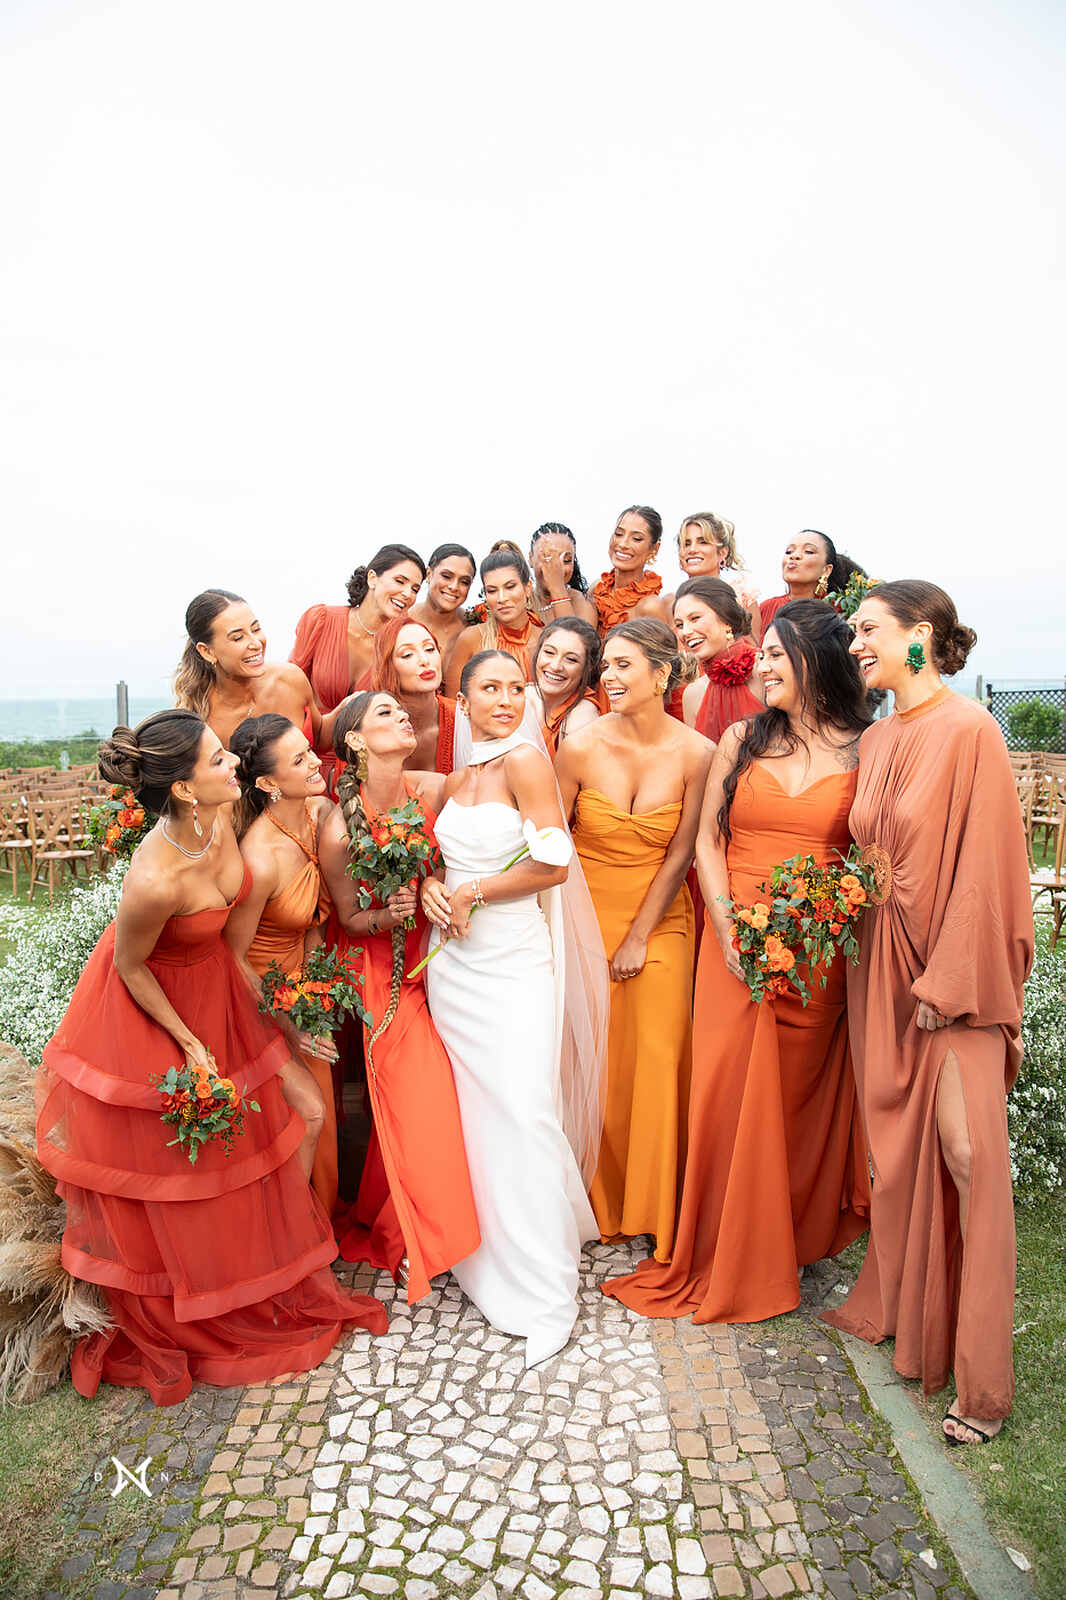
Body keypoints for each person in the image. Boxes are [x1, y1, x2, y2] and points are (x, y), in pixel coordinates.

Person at [35, 710, 385, 1405]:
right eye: (219, 761)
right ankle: (210, 1296)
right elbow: (132, 969)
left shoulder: (221, 821)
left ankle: (272, 1270)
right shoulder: (153, 879)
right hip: (155, 1009)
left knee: (306, 1114)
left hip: (221, 988)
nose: (233, 768)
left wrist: (282, 1014)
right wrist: (190, 1045)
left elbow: (239, 936)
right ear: (188, 790)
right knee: (194, 1166)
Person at [603, 601, 872, 1324]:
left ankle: (788, 1237)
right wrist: (726, 930)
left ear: (820, 661)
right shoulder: (743, 739)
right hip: (733, 943)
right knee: (725, 1093)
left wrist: (822, 918)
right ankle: (722, 1240)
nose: (764, 666)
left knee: (795, 1097)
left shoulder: (864, 749)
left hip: (815, 951)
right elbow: (707, 845)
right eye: (764, 655)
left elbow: (870, 856)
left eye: (780, 655)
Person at [823, 581, 1033, 1448]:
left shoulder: (972, 730)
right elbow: (867, 855)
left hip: (951, 975)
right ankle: (917, 1324)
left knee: (967, 1153)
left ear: (923, 637)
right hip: (880, 968)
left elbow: (989, 870)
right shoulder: (875, 739)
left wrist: (951, 984)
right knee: (900, 1156)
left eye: (868, 630)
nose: (856, 645)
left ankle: (982, 1383)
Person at [422, 650, 606, 1366]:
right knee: (477, 1111)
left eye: (512, 688)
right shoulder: (459, 780)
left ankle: (544, 1284)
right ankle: (487, 1257)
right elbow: (445, 861)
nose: (503, 699)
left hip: (513, 960)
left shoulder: (529, 763)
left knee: (525, 1109)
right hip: (456, 970)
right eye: (487, 689)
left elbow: (553, 865)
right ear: (461, 702)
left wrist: (472, 892)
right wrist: (437, 887)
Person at [556, 619, 712, 1262]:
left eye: (623, 666)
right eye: (606, 667)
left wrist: (638, 937)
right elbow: (550, 840)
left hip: (660, 920)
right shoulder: (579, 748)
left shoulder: (698, 753)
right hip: (584, 915)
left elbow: (682, 853)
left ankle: (656, 1207)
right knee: (596, 1061)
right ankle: (597, 1201)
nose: (609, 678)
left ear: (662, 673)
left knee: (656, 1052)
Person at [316, 692, 480, 1302]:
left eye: (400, 711)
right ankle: (421, 1238)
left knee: (445, 1096)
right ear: (355, 740)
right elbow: (349, 920)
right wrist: (389, 913)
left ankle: (403, 1215)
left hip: (448, 956)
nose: (400, 718)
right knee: (418, 1096)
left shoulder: (433, 789)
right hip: (381, 973)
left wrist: (435, 882)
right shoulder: (336, 828)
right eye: (383, 713)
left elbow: (464, 844)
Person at [225, 715, 340, 1217]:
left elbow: (315, 919)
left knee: (325, 1116)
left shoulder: (319, 812)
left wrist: (315, 990)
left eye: (310, 750)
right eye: (300, 760)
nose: (316, 762)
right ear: (268, 783)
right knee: (296, 1119)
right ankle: (285, 1235)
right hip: (261, 999)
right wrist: (289, 1025)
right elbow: (231, 957)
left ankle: (317, 1226)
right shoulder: (259, 856)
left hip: (305, 988)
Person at [290, 544, 427, 765]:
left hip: (366, 768)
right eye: (400, 581)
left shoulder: (403, 643)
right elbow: (290, 690)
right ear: (372, 578)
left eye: (415, 589)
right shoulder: (321, 619)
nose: (407, 594)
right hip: (306, 759)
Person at [174, 589, 319, 751]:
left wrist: (348, 707)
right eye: (238, 637)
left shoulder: (290, 678)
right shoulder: (203, 723)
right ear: (207, 651)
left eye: (256, 629)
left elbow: (320, 737)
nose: (256, 643)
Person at [673, 577, 764, 742]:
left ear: (726, 620)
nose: (685, 632)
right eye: (679, 625)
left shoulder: (765, 670)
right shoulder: (693, 694)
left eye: (695, 618)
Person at [445, 546, 544, 696]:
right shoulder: (471, 639)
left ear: (528, 588)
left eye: (510, 587)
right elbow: (453, 706)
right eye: (492, 591)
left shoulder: (546, 641)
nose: (502, 598)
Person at [369, 617, 456, 774]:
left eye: (430, 649)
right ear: (387, 667)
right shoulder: (366, 728)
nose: (424, 660)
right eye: (408, 654)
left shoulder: (464, 718)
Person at [670, 513, 762, 642]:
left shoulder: (742, 597)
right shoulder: (670, 603)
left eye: (703, 542)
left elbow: (754, 650)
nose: (692, 550)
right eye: (686, 544)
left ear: (722, 552)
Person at [760, 530, 865, 632]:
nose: (794, 556)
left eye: (808, 551)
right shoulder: (766, 608)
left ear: (826, 570)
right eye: (789, 551)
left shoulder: (839, 611)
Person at [591, 506, 672, 635]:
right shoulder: (597, 588)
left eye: (637, 539)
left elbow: (662, 654)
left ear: (654, 549)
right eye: (618, 534)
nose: (623, 544)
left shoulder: (650, 606)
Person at [528, 618, 603, 756]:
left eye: (571, 659)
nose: (555, 666)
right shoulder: (523, 695)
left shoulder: (582, 720)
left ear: (589, 667)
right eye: (549, 652)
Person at [409, 543, 478, 680]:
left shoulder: (474, 626)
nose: (454, 587)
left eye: (464, 582)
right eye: (446, 576)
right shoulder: (403, 621)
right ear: (429, 574)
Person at [528, 522, 599, 627]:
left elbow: (570, 640)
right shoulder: (521, 602)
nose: (556, 568)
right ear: (531, 559)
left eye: (566, 560)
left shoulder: (583, 604)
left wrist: (557, 588)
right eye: (548, 559)